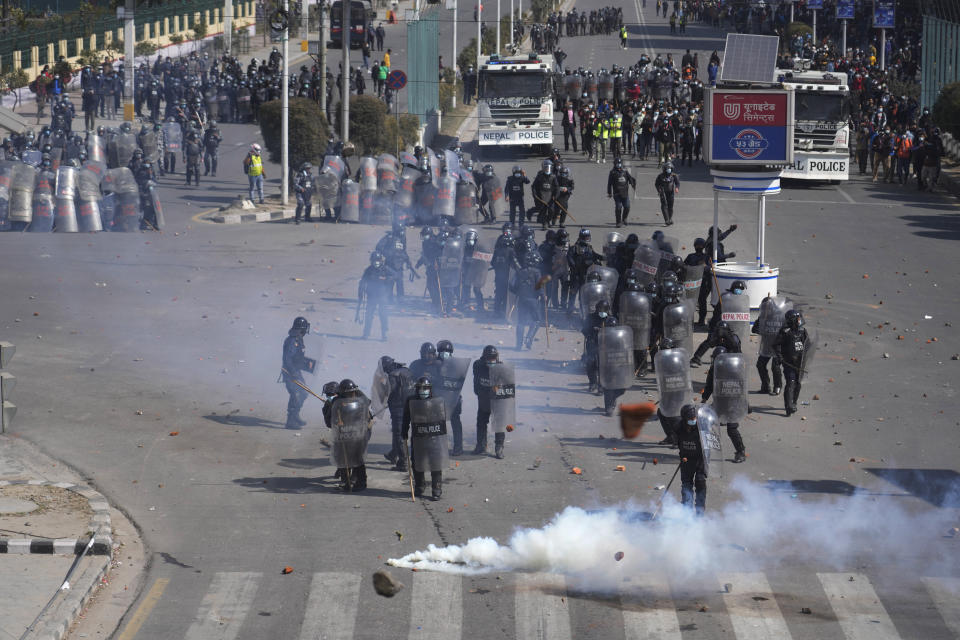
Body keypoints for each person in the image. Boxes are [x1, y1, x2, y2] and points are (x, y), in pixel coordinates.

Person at [401, 377, 447, 500]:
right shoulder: (411, 401)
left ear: (430, 389)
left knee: (435, 464)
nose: (423, 391)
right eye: (420, 388)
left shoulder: (436, 401)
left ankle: (436, 489)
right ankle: (420, 486)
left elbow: (442, 419)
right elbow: (406, 417)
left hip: (434, 438)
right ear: (416, 389)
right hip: (418, 438)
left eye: (425, 388)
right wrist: (404, 431)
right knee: (417, 463)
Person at [700, 346, 747, 463]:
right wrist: (704, 398)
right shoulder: (713, 369)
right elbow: (710, 385)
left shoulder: (734, 369)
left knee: (732, 429)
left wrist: (743, 404)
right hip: (719, 402)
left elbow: (741, 387)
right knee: (706, 424)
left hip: (733, 403)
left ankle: (740, 452)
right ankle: (706, 451)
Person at [326, 379, 373, 492]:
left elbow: (366, 416)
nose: (350, 395)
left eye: (352, 392)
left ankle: (361, 482)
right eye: (347, 393)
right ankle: (346, 482)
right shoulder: (337, 401)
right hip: (343, 432)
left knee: (358, 457)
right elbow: (329, 420)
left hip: (357, 432)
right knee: (343, 457)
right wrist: (336, 422)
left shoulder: (361, 400)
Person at [280, 317, 316, 429]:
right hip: (290, 373)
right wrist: (293, 373)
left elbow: (297, 357)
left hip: (296, 371)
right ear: (301, 329)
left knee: (304, 393)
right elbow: (287, 359)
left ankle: (295, 415)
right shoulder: (292, 341)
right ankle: (290, 421)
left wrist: (307, 364)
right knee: (296, 394)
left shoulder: (298, 339)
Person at [773, 309, 809, 416]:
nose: (799, 320)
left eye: (799, 318)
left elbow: (807, 344)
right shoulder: (785, 332)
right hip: (788, 362)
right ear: (792, 320)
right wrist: (780, 357)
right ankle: (788, 407)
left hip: (800, 363)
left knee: (798, 384)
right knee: (791, 383)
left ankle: (793, 403)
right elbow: (776, 345)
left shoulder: (802, 331)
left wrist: (806, 356)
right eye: (797, 318)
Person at [380, 356, 413, 471]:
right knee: (396, 431)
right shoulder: (406, 370)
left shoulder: (393, 375)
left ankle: (403, 463)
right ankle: (394, 454)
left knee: (399, 434)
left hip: (399, 408)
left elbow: (389, 391)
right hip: (410, 406)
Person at [358, 252, 397, 340]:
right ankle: (366, 334)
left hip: (382, 296)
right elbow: (363, 281)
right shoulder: (368, 270)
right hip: (371, 297)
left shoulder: (385, 269)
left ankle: (384, 334)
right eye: (374, 260)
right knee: (368, 315)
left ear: (381, 261)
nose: (376, 262)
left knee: (383, 315)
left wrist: (386, 279)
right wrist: (361, 291)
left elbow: (395, 275)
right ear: (371, 261)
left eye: (378, 260)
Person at [677, 404, 706, 515]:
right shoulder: (679, 427)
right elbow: (678, 443)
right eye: (690, 419)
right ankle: (686, 511)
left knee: (700, 482)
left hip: (700, 459)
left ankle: (700, 510)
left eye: (694, 419)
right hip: (686, 459)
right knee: (686, 484)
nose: (693, 421)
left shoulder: (702, 427)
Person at [512, 251, 544, 350]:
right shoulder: (537, 272)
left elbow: (512, 286)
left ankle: (518, 345)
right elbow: (539, 286)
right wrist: (543, 296)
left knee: (521, 322)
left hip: (522, 300)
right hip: (533, 301)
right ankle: (529, 338)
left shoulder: (520, 271)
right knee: (537, 320)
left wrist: (519, 293)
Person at [471, 345, 500, 455]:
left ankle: (499, 447)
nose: (491, 360)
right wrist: (480, 394)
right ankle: (481, 446)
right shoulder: (478, 365)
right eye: (489, 358)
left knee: (499, 423)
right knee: (481, 422)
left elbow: (507, 388)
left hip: (497, 401)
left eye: (493, 358)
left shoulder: (501, 368)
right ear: (484, 357)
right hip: (483, 399)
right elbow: (476, 382)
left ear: (496, 357)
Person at [607, 158, 636, 228]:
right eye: (617, 163)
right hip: (617, 193)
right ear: (615, 164)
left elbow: (630, 178)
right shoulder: (612, 173)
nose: (619, 165)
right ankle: (618, 222)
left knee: (627, 206)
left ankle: (624, 218)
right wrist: (609, 192)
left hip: (625, 193)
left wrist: (632, 183)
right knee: (618, 207)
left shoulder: (625, 171)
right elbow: (609, 183)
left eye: (619, 163)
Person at [532, 159, 557, 228]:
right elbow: (534, 186)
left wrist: (555, 196)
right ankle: (544, 224)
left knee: (551, 211)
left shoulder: (553, 176)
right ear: (543, 167)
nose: (547, 169)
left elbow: (556, 187)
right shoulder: (540, 176)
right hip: (542, 196)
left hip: (550, 196)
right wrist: (535, 194)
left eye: (548, 167)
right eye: (546, 167)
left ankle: (548, 221)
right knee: (543, 211)